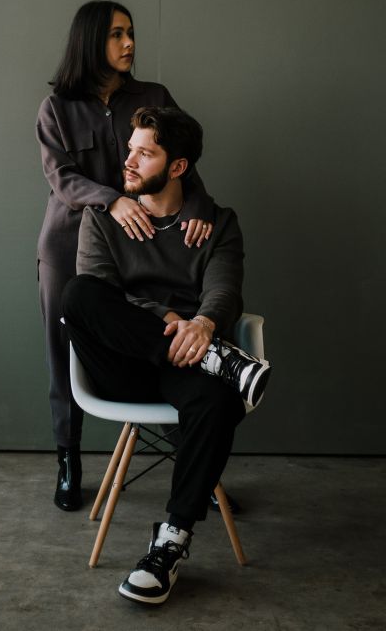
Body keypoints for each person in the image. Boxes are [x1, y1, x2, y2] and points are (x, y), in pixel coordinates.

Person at [62, 107, 270, 605]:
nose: (129, 161)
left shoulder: (217, 224)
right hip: (122, 364)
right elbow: (103, 294)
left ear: (178, 167)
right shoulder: (102, 219)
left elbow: (224, 291)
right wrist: (170, 320)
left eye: (145, 153)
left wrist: (203, 324)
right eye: (130, 149)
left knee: (218, 402)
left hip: (184, 362)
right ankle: (218, 359)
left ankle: (170, 544)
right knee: (78, 295)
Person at [35, 0, 215, 512]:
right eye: (117, 34)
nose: (129, 43)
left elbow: (183, 160)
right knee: (63, 347)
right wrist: (112, 199)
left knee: (159, 327)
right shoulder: (56, 108)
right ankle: (68, 459)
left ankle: (192, 456)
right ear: (91, 40)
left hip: (144, 242)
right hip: (69, 241)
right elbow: (61, 178)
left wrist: (197, 208)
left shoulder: (153, 96)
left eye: (131, 32)